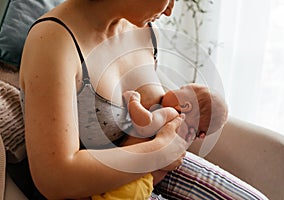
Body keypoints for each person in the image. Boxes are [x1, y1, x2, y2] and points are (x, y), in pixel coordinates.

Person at [17, 0, 269, 199]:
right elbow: (55, 179)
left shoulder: (143, 28)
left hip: (144, 176)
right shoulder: (53, 42)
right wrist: (162, 151)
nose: (171, 10)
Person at [91, 83, 228, 200]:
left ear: (185, 106)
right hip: (144, 185)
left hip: (127, 180)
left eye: (180, 89)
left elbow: (145, 125)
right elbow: (160, 171)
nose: (171, 89)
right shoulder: (183, 141)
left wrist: (133, 102)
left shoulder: (172, 114)